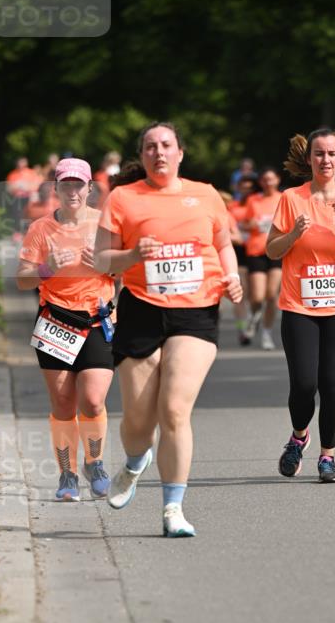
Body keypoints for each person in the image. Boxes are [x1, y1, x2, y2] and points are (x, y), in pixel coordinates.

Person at [94, 121, 243, 537]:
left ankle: (173, 508)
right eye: (150, 147)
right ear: (141, 157)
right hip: (141, 308)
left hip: (195, 311)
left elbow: (224, 245)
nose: (159, 153)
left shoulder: (206, 194)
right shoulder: (123, 197)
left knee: (174, 409)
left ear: (180, 153)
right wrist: (131, 254)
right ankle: (134, 461)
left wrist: (232, 278)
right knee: (139, 422)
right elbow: (100, 260)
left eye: (166, 145)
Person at [266, 127, 335, 482]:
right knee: (303, 384)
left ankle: (327, 457)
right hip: (299, 306)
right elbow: (271, 249)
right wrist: (294, 234)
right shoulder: (291, 198)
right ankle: (299, 436)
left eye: (331, 154)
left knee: (331, 382)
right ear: (310, 158)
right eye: (319, 154)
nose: (325, 160)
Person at [16, 158, 115, 501]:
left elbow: (125, 271)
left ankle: (96, 462)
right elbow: (20, 278)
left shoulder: (105, 224)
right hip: (55, 322)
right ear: (56, 189)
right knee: (63, 404)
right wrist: (46, 268)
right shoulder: (41, 228)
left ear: (90, 189)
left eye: (79, 184)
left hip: (96, 320)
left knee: (93, 399)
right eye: (66, 184)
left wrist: (106, 265)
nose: (73, 191)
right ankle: (68, 475)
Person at [244, 166, 283, 350]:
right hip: (257, 250)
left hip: (277, 250)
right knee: (258, 297)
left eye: (271, 178)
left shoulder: (284, 199)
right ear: (260, 182)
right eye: (265, 179)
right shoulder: (253, 200)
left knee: (271, 295)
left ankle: (267, 333)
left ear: (277, 180)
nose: (268, 182)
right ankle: (253, 317)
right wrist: (252, 224)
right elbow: (245, 224)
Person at [226, 174, 258, 345]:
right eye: (242, 186)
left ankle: (252, 320)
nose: (246, 190)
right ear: (238, 188)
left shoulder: (258, 205)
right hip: (238, 250)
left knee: (255, 294)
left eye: (249, 187)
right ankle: (242, 328)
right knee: (241, 289)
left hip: (256, 250)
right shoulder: (231, 207)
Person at [6, 156, 40, 238]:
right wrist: (17, 186)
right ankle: (17, 232)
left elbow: (36, 185)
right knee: (17, 213)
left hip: (29, 197)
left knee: (30, 213)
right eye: (20, 162)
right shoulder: (13, 174)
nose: (22, 164)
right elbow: (9, 188)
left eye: (23, 162)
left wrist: (26, 187)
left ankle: (30, 231)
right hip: (17, 198)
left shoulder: (31, 173)